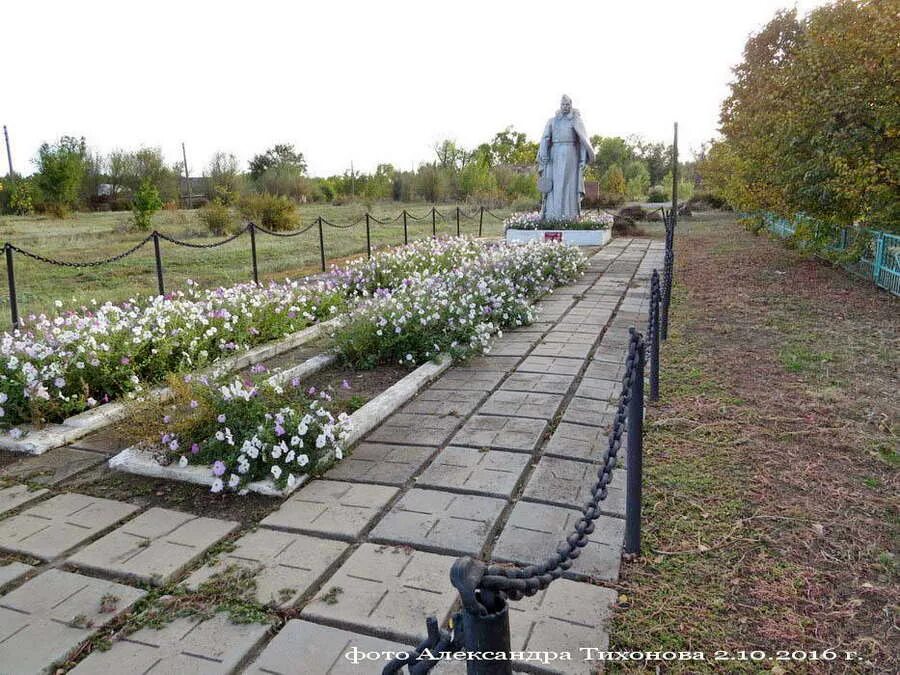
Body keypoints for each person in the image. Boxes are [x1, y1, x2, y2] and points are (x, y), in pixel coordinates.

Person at [537, 95, 595, 221]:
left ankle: (570, 215)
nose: (565, 107)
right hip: (554, 155)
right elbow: (545, 138)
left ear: (571, 105)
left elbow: (582, 140)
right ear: (560, 105)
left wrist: (582, 160)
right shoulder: (552, 121)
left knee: (569, 185)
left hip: (571, 154)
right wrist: (544, 154)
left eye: (567, 104)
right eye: (563, 104)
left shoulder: (576, 120)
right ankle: (552, 215)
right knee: (553, 186)